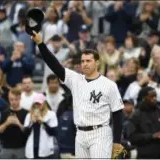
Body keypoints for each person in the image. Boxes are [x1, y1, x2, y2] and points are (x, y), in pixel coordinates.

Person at [31, 30, 124, 158]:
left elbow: (118, 114)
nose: (84, 64)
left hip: (100, 133)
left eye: (88, 61)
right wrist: (41, 44)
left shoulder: (109, 85)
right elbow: (54, 64)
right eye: (83, 61)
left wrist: (117, 142)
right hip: (80, 133)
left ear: (97, 63)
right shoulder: (75, 79)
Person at [24, 93, 58, 159]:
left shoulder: (51, 114)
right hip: (32, 149)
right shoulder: (29, 115)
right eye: (36, 103)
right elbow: (25, 134)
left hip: (45, 150)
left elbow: (53, 133)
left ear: (44, 103)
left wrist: (42, 122)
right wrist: (31, 122)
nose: (37, 105)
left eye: (39, 103)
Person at [0, 87, 28, 159]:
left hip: (21, 148)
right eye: (11, 99)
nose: (13, 102)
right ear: (8, 99)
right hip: (6, 148)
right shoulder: (4, 113)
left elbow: (27, 132)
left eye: (16, 99)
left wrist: (18, 123)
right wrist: (6, 123)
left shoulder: (26, 113)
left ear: (20, 98)